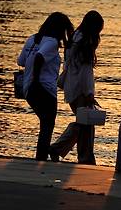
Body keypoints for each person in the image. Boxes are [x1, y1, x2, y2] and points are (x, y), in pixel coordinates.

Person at [49, 10, 104, 164]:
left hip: (70, 87)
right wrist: (89, 93)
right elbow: (85, 72)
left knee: (85, 124)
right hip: (80, 89)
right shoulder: (86, 42)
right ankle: (62, 149)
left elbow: (71, 66)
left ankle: (84, 157)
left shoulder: (74, 38)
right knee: (84, 123)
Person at [17, 12, 74, 161]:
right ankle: (42, 156)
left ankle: (42, 155)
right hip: (44, 89)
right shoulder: (52, 42)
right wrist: (37, 79)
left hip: (28, 88)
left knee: (45, 123)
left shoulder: (32, 39)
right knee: (47, 124)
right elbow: (39, 57)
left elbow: (21, 61)